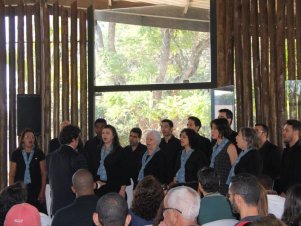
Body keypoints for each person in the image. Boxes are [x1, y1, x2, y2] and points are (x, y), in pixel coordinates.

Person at [46, 125, 87, 215]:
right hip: (73, 206)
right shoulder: (77, 157)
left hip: (56, 206)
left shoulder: (50, 156)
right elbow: (83, 182)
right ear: (73, 140)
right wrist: (97, 185)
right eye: (78, 138)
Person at [9, 128, 46, 212]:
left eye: (32, 137)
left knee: (36, 213)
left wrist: (42, 191)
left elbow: (43, 173)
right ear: (22, 140)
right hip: (20, 190)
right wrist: (12, 192)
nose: (31, 139)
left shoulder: (39, 153)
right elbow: (11, 174)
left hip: (36, 190)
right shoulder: (16, 154)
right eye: (28, 137)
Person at [95, 125, 129, 198]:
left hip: (115, 187)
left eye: (108, 133)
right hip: (100, 186)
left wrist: (122, 190)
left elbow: (124, 172)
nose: (105, 135)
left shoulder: (120, 151)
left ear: (113, 136)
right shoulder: (98, 149)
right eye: (103, 133)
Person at [210, 118, 237, 195]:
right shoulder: (215, 146)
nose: (212, 131)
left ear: (222, 129)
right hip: (214, 184)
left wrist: (231, 188)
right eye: (212, 128)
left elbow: (235, 169)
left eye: (215, 128)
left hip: (225, 185)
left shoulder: (230, 146)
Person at [279, 119, 301, 194]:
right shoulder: (286, 151)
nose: (283, 133)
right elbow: (283, 175)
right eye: (283, 130)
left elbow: (297, 177)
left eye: (287, 130)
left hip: (295, 195)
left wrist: (286, 192)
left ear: (296, 132)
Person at [159, 119, 182, 184]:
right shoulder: (158, 143)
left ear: (171, 128)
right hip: (160, 178)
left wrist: (175, 177)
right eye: (162, 127)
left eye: (166, 127)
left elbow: (179, 162)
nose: (163, 129)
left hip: (174, 178)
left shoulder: (178, 143)